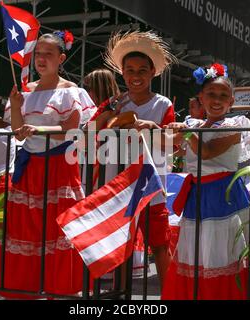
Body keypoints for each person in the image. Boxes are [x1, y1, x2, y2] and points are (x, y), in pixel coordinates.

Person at [0, 30, 96, 299]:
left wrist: (39, 130)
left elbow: (70, 131)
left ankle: (61, 287)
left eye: (48, 54)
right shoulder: (26, 91)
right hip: (30, 167)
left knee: (58, 227)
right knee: (26, 226)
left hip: (58, 166)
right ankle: (26, 286)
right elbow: (19, 131)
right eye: (38, 54)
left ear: (61, 58)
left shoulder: (71, 91)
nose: (41, 59)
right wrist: (18, 107)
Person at [161, 63, 250, 300]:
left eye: (223, 96)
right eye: (211, 94)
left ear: (231, 101)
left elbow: (207, 152)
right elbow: (174, 149)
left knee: (222, 252)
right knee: (200, 253)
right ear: (201, 97)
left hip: (225, 195)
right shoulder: (196, 125)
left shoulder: (234, 126)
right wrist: (163, 131)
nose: (217, 100)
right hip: (198, 197)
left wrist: (186, 132)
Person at [92, 30, 178, 288]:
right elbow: (89, 133)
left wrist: (151, 128)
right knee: (117, 240)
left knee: (160, 243)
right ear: (122, 73)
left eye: (142, 70)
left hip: (151, 183)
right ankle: (119, 294)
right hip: (116, 182)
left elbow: (173, 142)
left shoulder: (163, 105)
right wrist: (109, 111)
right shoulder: (114, 103)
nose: (136, 76)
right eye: (130, 70)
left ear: (152, 72)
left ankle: (170, 295)